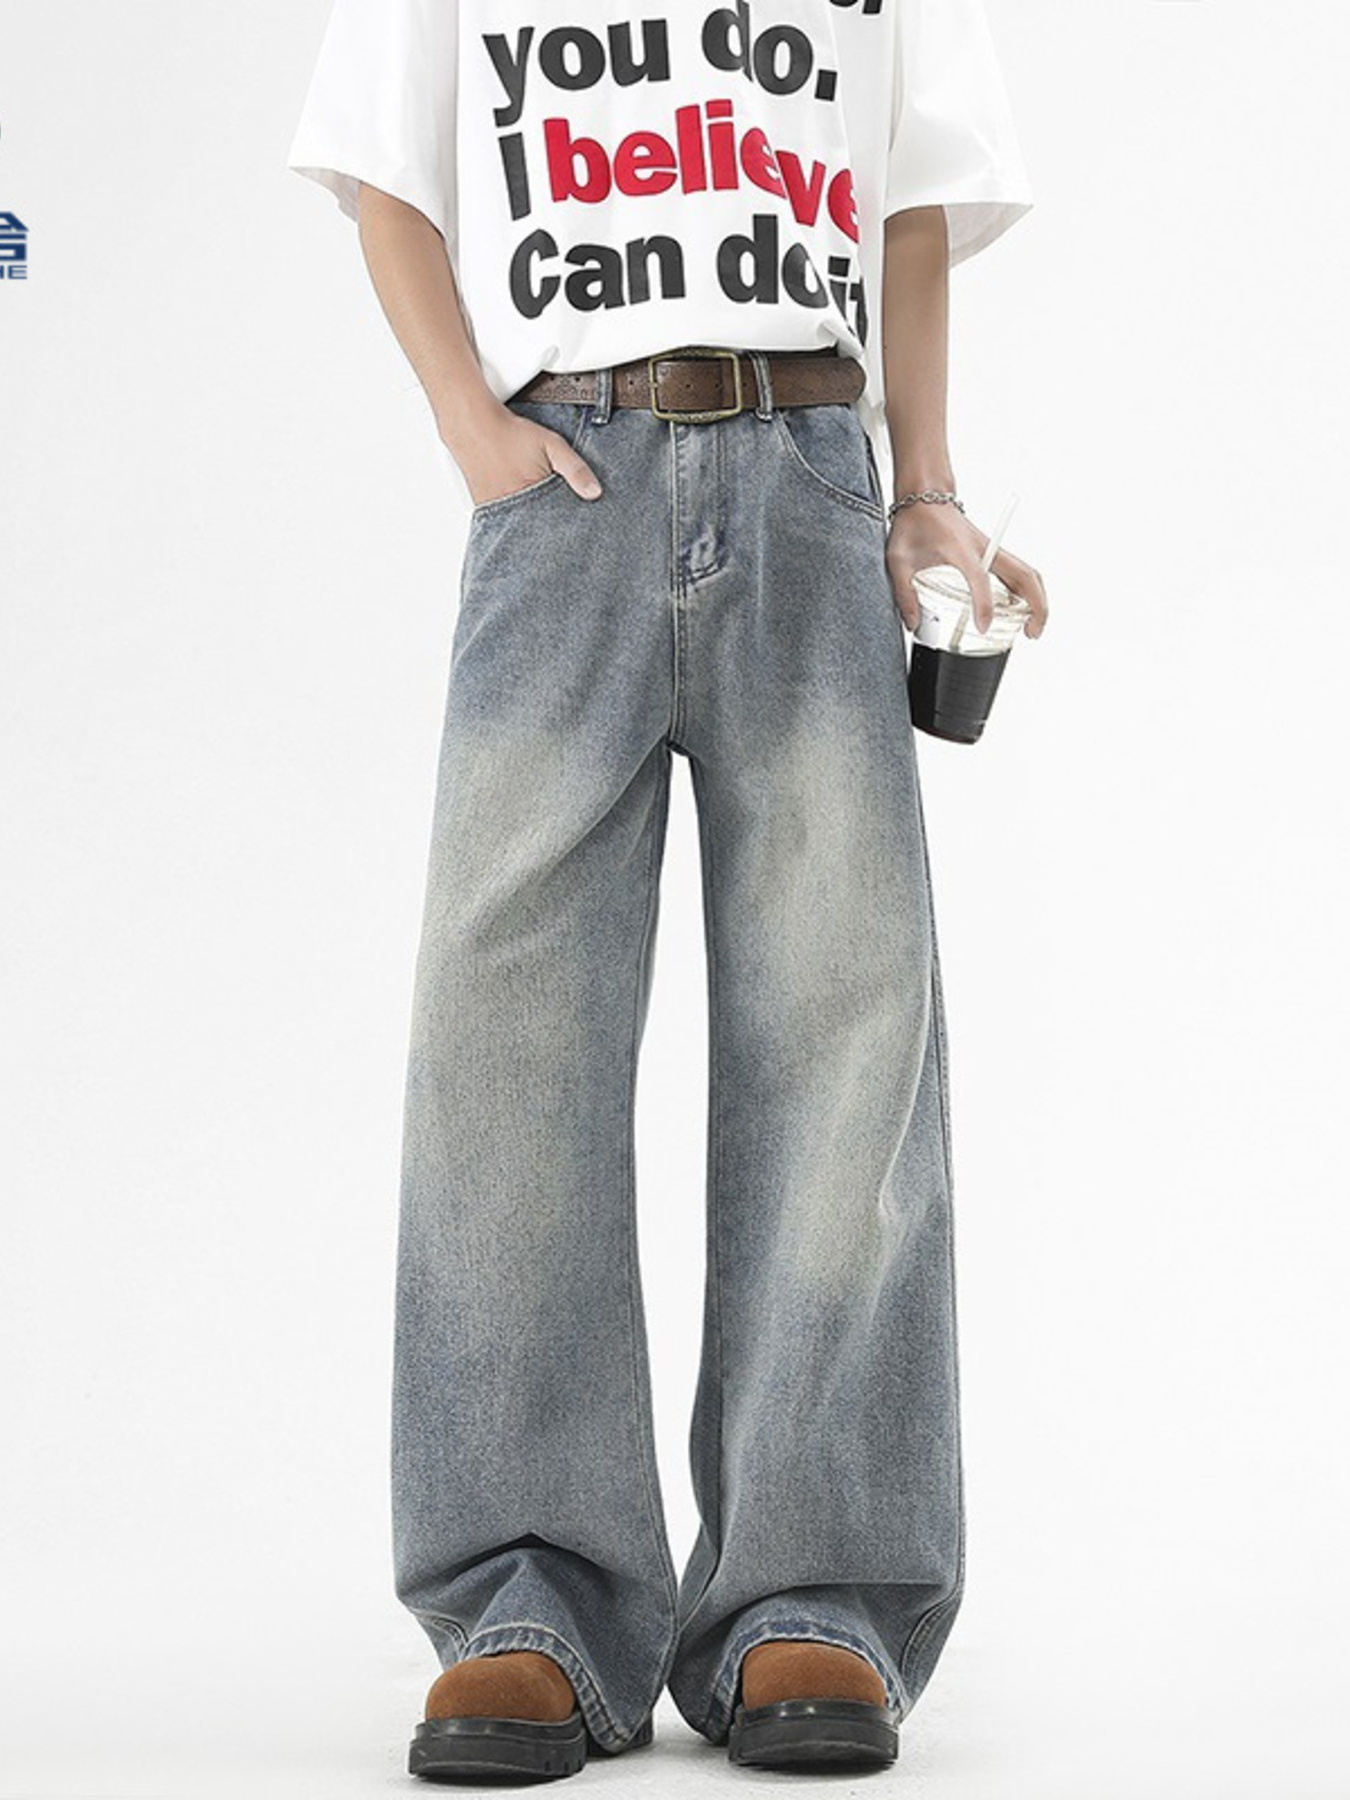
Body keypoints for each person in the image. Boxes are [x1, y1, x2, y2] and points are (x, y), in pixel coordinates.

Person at [288, 0, 1048, 1780]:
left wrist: (925, 487)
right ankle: (526, 1592)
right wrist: (470, 427)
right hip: (563, 473)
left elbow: (908, 193)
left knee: (844, 1026)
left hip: (810, 471)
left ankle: (816, 1585)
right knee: (505, 1039)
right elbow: (383, 171)